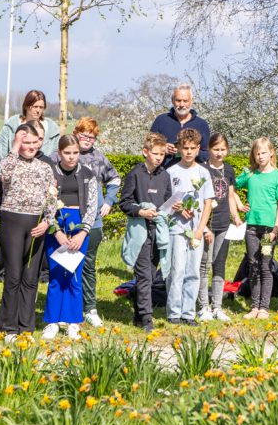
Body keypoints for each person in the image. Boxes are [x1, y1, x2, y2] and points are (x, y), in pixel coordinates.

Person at [0, 122, 55, 337]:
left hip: (36, 223)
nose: (30, 147)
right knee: (13, 274)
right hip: (12, 220)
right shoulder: (11, 162)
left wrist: (47, 221)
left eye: (34, 142)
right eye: (25, 142)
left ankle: (26, 325)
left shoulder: (45, 167)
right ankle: (8, 326)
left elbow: (51, 197)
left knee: (30, 277)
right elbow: (5, 175)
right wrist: (14, 146)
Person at [41, 135, 100, 340]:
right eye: (67, 153)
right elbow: (46, 203)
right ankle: (52, 321)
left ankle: (74, 321)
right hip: (56, 226)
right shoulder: (50, 173)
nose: (72, 157)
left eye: (75, 153)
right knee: (57, 275)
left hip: (79, 227)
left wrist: (83, 233)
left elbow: (93, 206)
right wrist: (55, 230)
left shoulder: (87, 174)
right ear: (59, 153)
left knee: (74, 274)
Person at [119, 133, 172, 332]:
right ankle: (148, 320)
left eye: (163, 154)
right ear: (145, 152)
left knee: (150, 273)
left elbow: (167, 202)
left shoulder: (165, 175)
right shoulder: (135, 174)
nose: (159, 158)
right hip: (140, 231)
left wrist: (173, 207)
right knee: (143, 276)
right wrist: (140, 211)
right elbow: (124, 202)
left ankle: (138, 315)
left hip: (158, 231)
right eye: (156, 154)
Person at [164, 129, 214, 326]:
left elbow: (208, 203)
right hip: (176, 228)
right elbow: (165, 203)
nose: (189, 152)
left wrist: (201, 229)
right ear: (178, 149)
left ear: (198, 149)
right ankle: (174, 311)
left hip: (196, 229)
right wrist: (176, 209)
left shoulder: (203, 172)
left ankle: (188, 312)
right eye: (185, 148)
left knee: (193, 270)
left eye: (193, 148)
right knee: (177, 269)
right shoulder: (171, 172)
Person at [73, 118, 120, 327]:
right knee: (68, 264)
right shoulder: (62, 153)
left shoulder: (99, 157)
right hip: (70, 219)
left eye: (92, 137)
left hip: (94, 222)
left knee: (89, 265)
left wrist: (109, 201)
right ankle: (70, 308)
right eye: (84, 136)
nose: (88, 140)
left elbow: (115, 179)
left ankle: (90, 308)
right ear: (76, 134)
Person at [234, 137, 278, 320]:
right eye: (257, 153)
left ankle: (264, 307)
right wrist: (240, 205)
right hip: (251, 227)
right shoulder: (250, 175)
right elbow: (231, 186)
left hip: (268, 228)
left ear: (271, 153)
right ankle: (254, 306)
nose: (260, 156)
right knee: (253, 265)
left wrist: (275, 229)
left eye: (264, 152)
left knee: (265, 266)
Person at [199, 133, 241, 322]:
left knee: (219, 265)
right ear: (209, 149)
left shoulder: (229, 170)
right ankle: (203, 306)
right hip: (207, 224)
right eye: (216, 149)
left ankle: (217, 306)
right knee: (204, 265)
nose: (219, 153)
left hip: (224, 223)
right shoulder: (202, 169)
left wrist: (236, 216)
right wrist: (203, 225)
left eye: (223, 149)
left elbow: (231, 196)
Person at [149, 84, 211, 165]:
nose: (181, 105)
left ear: (191, 101)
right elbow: (147, 149)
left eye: (185, 101)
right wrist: (162, 149)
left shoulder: (201, 124)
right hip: (164, 174)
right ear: (172, 101)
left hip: (192, 175)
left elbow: (208, 154)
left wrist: (192, 151)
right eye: (178, 100)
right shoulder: (161, 120)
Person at [0, 90, 61, 161]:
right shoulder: (11, 126)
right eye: (35, 106)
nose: (38, 110)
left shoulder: (52, 131)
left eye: (41, 107)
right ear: (26, 106)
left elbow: (56, 158)